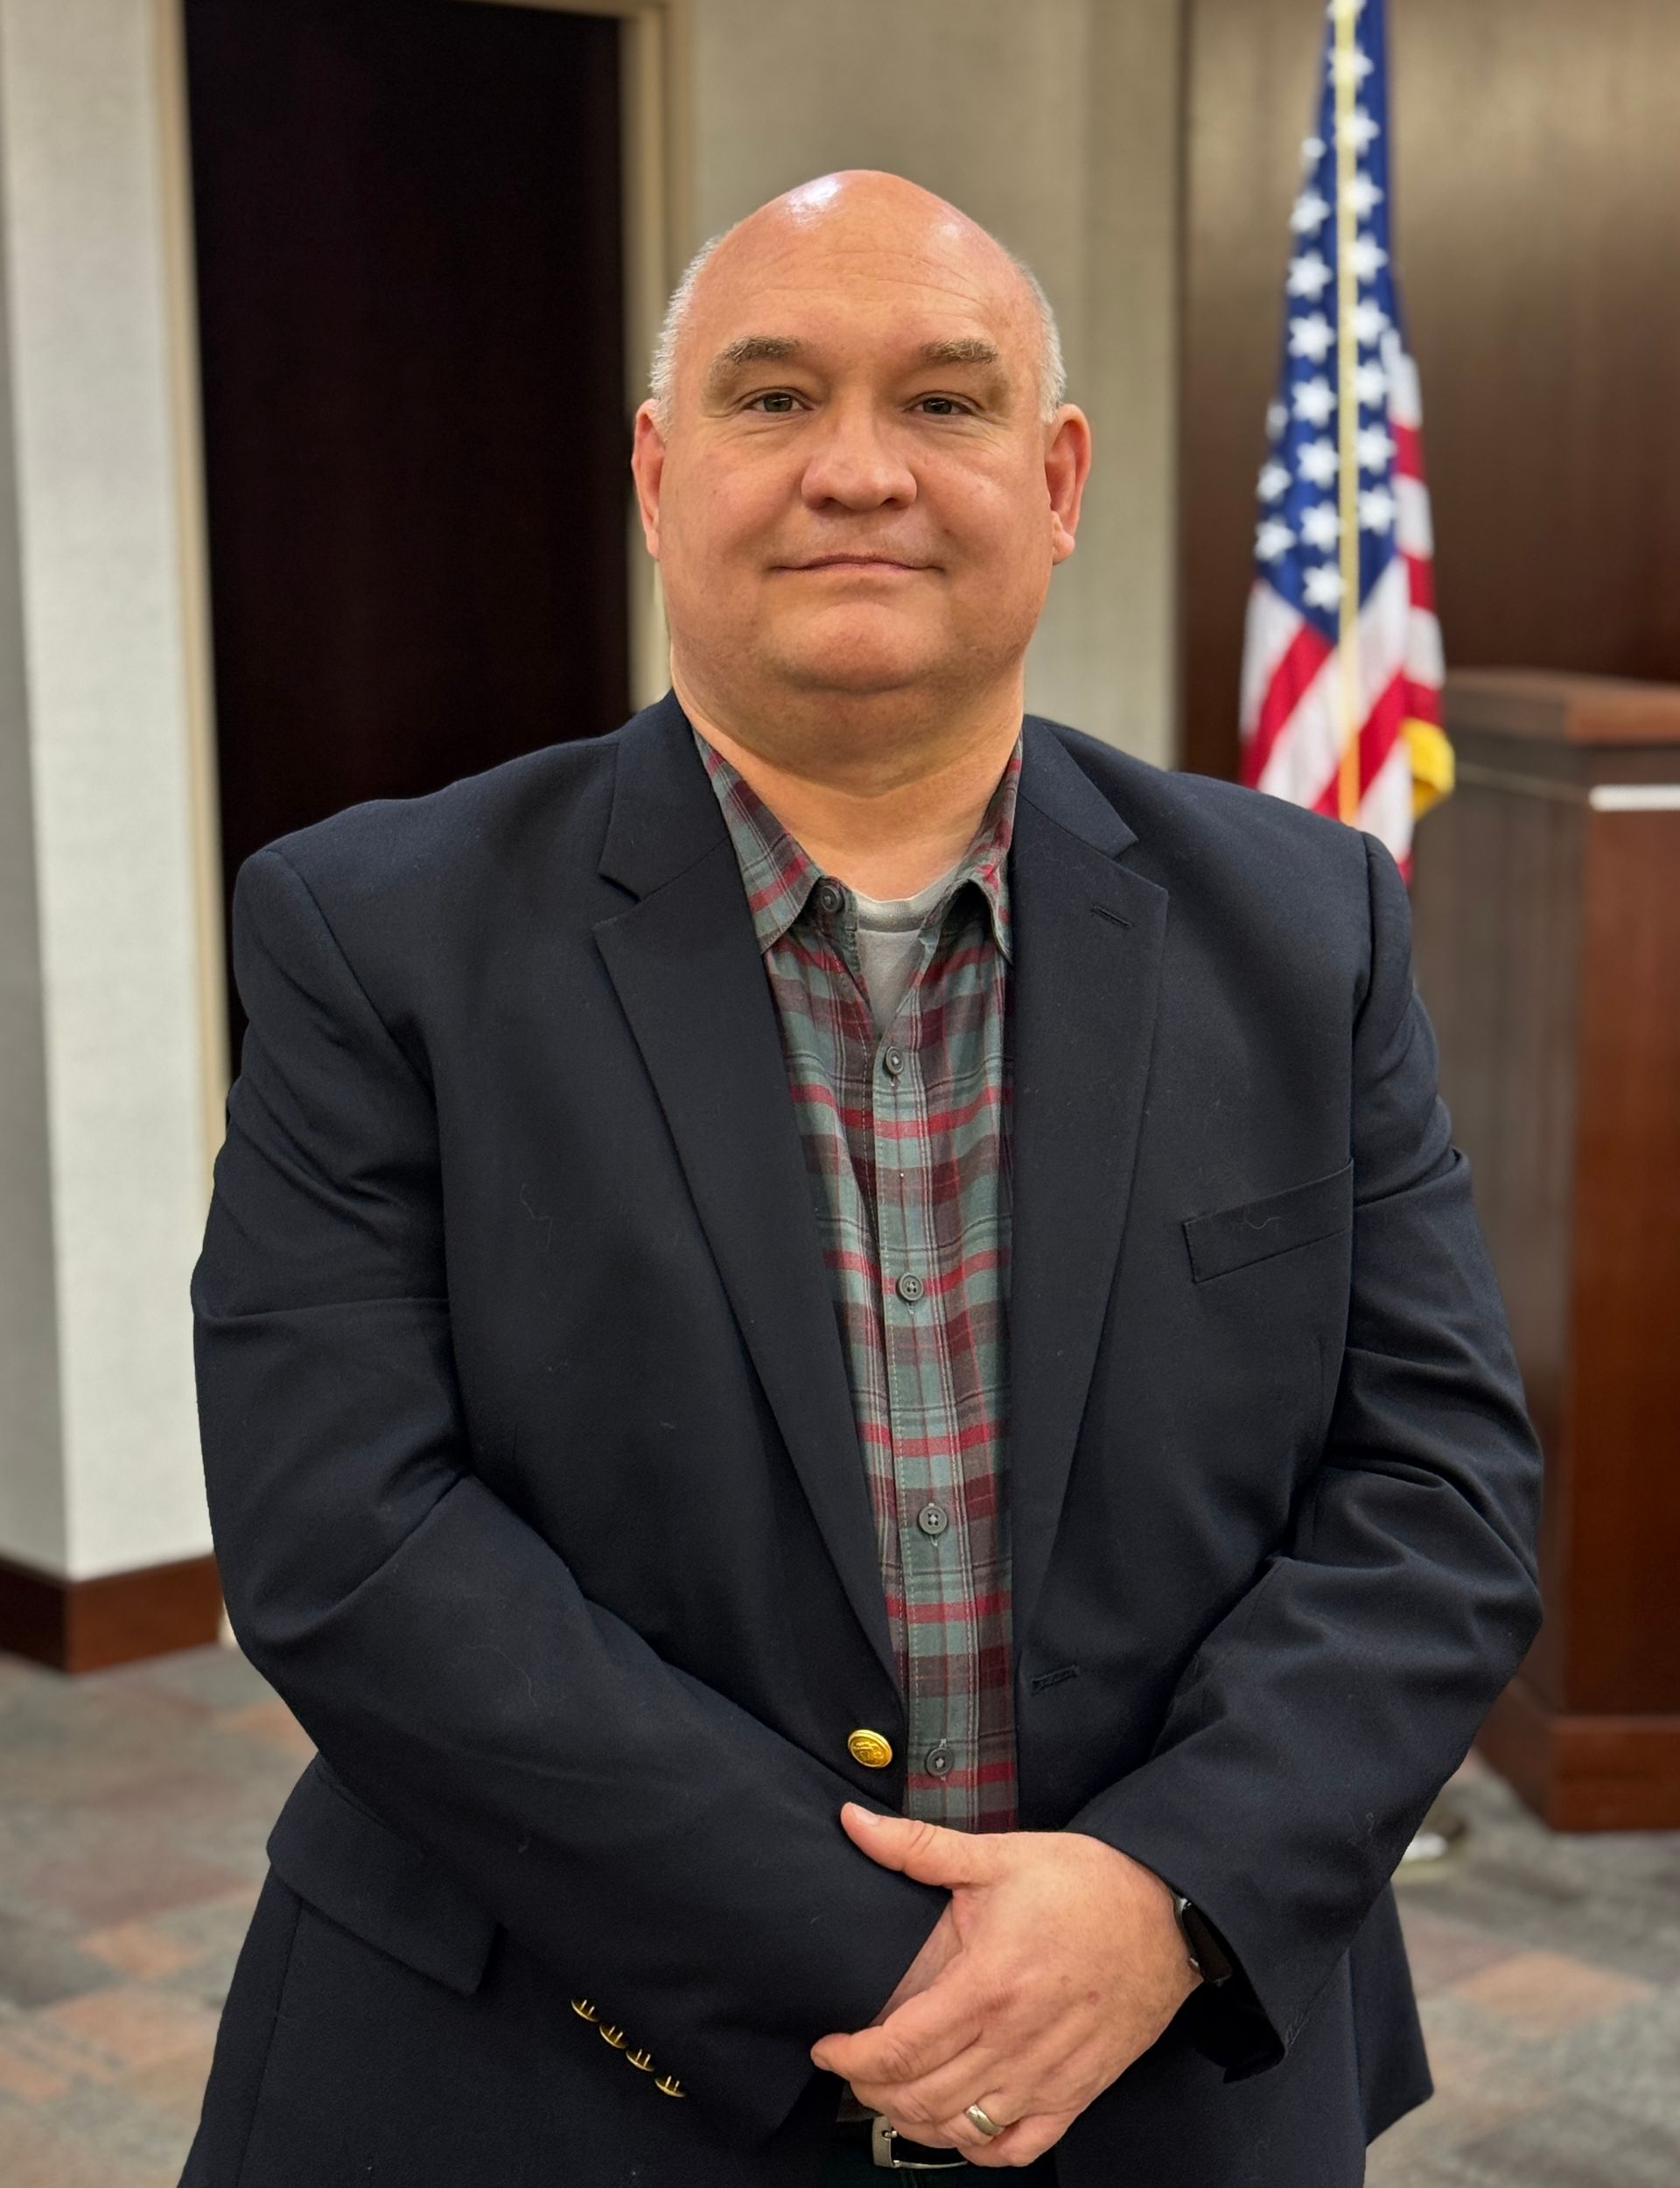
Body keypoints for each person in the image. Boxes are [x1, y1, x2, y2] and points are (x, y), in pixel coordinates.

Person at [179, 170, 1543, 2188]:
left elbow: (1439, 1489)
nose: (856, 472)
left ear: (1059, 475)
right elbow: (347, 1539)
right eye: (771, 398)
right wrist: (923, 1966)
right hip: (544, 2072)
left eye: (944, 401)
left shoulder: (1307, 923)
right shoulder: (370, 932)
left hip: (1172, 2062)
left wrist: (1159, 1900)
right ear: (657, 471)